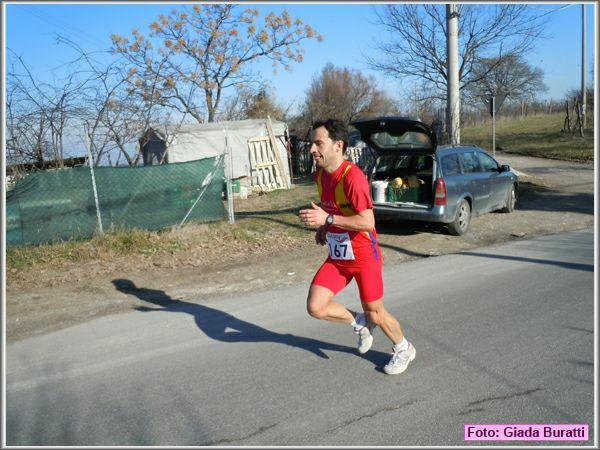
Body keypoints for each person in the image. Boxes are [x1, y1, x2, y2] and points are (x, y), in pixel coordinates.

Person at [298, 119, 416, 375]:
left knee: (376, 313)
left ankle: (404, 347)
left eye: (318, 143)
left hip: (364, 257)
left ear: (338, 145)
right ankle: (358, 322)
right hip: (339, 256)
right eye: (311, 144)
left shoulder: (354, 178)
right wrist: (324, 227)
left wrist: (327, 219)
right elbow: (334, 208)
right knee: (316, 307)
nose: (312, 150)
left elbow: (367, 221)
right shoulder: (321, 176)